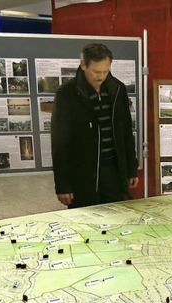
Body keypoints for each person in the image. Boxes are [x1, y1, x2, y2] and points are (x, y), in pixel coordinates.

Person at [52, 43, 138, 208]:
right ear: (83, 65)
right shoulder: (67, 94)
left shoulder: (118, 89)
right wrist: (62, 185)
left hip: (113, 173)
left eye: (105, 71)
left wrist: (131, 168)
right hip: (83, 175)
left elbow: (126, 131)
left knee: (117, 221)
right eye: (96, 71)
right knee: (86, 225)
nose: (101, 76)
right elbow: (59, 143)